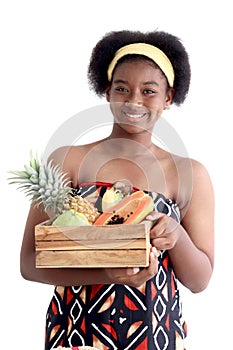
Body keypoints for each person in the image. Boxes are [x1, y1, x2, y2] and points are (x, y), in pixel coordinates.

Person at [20, 30, 215, 350]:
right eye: (122, 88)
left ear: (168, 97)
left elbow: (200, 280)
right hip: (76, 334)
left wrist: (177, 235)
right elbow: (30, 262)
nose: (134, 100)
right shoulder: (67, 160)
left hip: (155, 335)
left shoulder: (189, 173)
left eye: (149, 90)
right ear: (107, 90)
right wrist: (109, 273)